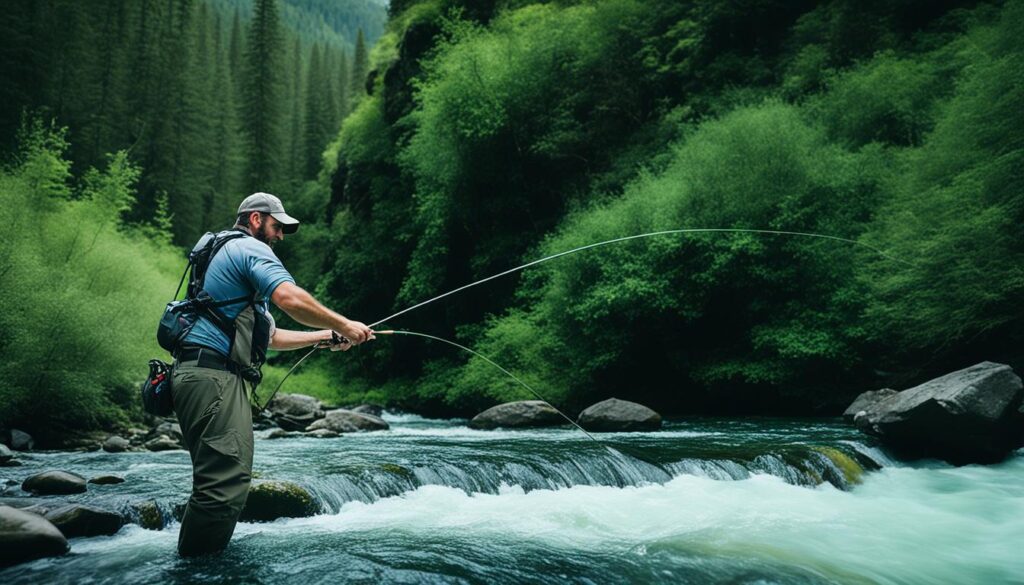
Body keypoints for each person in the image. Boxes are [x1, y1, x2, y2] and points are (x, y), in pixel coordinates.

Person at [172, 192, 374, 557]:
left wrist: (329, 335)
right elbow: (290, 299)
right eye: (277, 226)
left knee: (217, 484)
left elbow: (273, 336)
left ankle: (195, 565)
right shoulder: (249, 249)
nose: (280, 235)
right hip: (214, 378)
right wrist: (345, 322)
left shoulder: (226, 260)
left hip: (200, 375)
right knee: (223, 486)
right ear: (254, 219)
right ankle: (196, 574)